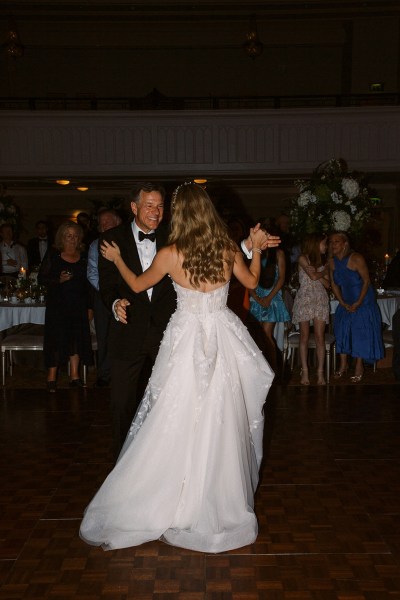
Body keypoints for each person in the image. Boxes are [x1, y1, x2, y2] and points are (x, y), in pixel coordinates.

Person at [80, 182, 277, 554]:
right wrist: (257, 251)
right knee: (219, 416)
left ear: (180, 214)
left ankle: (171, 493)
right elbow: (252, 281)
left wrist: (118, 260)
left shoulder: (170, 253)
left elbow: (138, 284)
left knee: (178, 414)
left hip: (185, 340)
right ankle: (214, 500)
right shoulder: (225, 247)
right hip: (221, 336)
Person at [38, 221, 94, 392]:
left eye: (75, 235)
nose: (72, 238)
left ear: (79, 239)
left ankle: (75, 376)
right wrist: (58, 280)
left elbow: (89, 285)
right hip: (58, 306)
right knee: (55, 340)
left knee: (76, 339)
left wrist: (90, 307)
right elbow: (41, 278)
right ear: (62, 237)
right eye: (68, 235)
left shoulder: (84, 257)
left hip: (78, 305)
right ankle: (52, 377)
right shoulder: (53, 254)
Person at [329, 231, 384, 382]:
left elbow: (366, 281)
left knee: (360, 332)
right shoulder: (332, 262)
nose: (333, 245)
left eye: (336, 242)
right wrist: (341, 302)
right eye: (331, 242)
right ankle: (343, 365)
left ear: (345, 244)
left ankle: (359, 366)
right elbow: (333, 283)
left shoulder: (356, 258)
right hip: (345, 300)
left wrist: (359, 302)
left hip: (363, 300)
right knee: (341, 331)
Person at [87, 208, 122, 387]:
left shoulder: (127, 242)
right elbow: (92, 273)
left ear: (117, 223)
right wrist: (109, 294)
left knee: (123, 335)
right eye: (101, 224)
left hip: (126, 297)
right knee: (103, 336)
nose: (104, 226)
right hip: (102, 298)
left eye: (107, 223)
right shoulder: (95, 245)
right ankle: (104, 374)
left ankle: (121, 373)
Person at [248, 226, 290, 372]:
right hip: (257, 298)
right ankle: (258, 369)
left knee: (266, 335)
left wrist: (268, 298)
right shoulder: (254, 253)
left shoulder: (279, 253)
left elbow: (281, 278)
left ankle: (273, 369)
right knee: (255, 337)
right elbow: (248, 278)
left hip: (272, 298)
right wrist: (257, 298)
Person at [291, 233, 330, 385]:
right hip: (305, 299)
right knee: (304, 337)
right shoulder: (303, 258)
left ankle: (320, 373)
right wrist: (324, 272)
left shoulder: (322, 262)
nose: (326, 246)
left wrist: (319, 273)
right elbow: (314, 277)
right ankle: (305, 372)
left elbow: (327, 285)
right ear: (316, 243)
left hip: (320, 299)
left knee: (320, 337)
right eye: (324, 243)